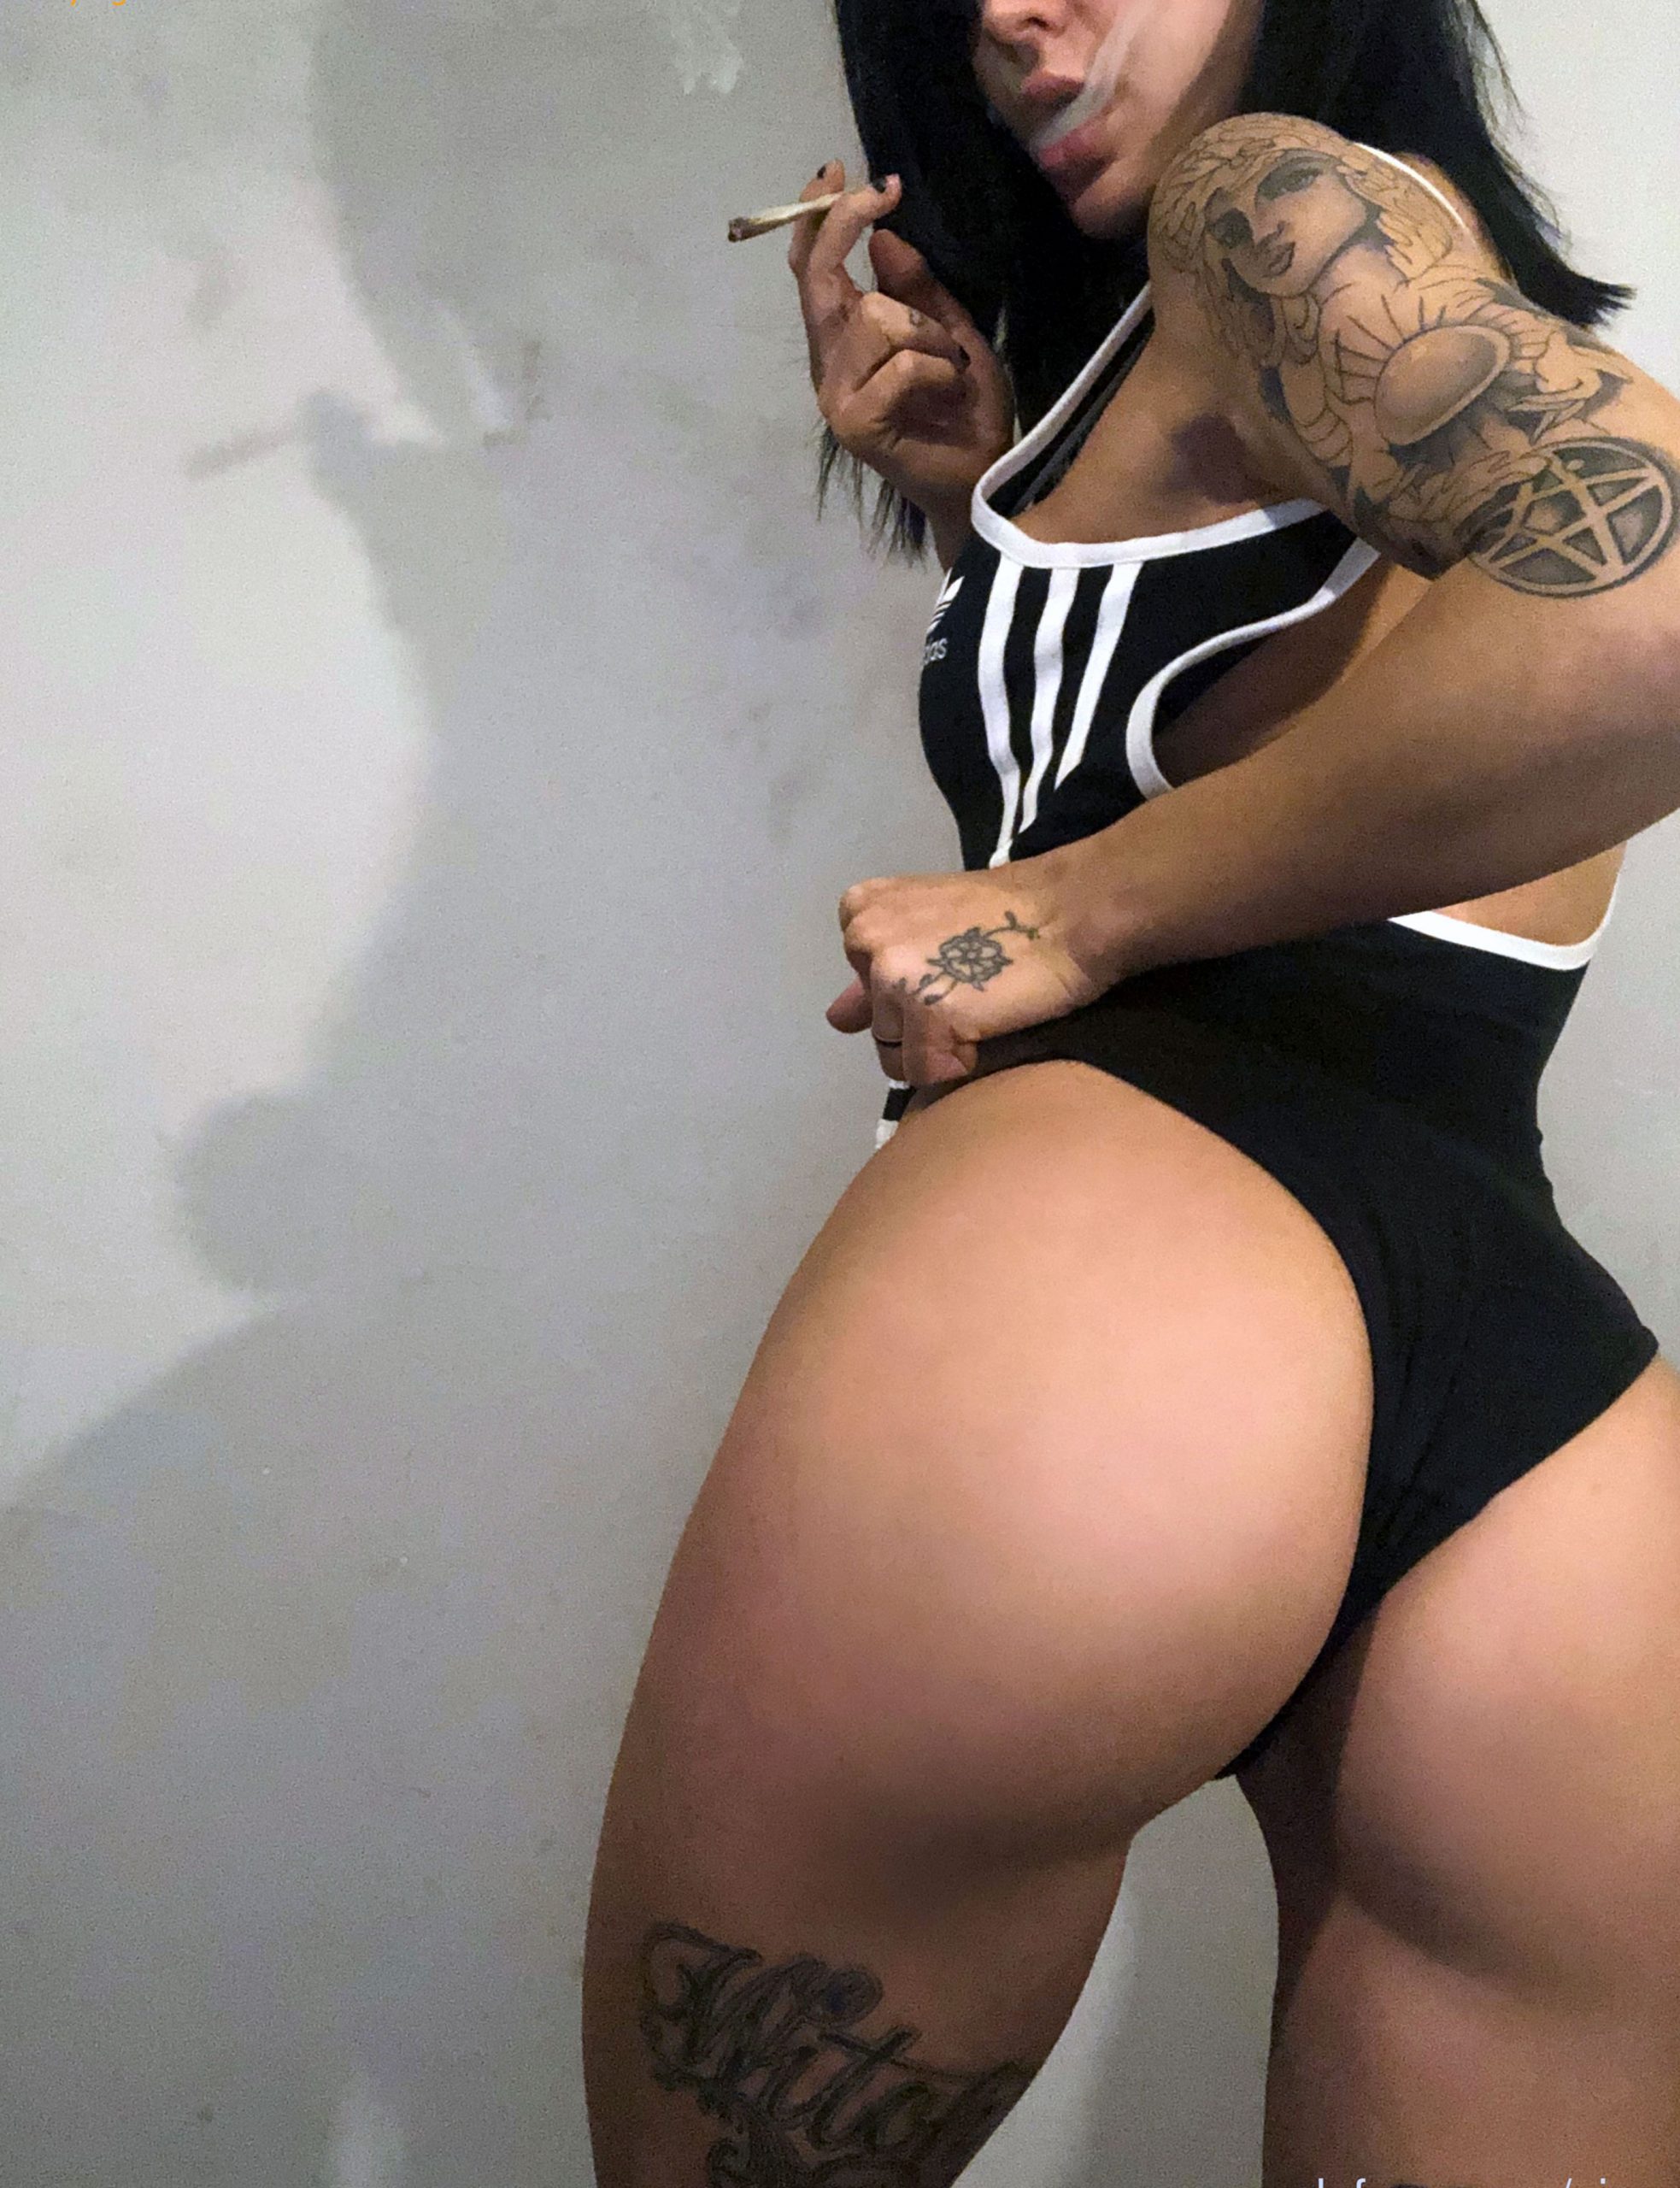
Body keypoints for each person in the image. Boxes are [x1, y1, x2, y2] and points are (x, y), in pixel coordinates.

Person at [582, 2, 1680, 2179]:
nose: (1008, 17)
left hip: (1123, 1279)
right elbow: (1271, 695)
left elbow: (1648, 607)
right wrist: (986, 506)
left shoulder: (1265, 202)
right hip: (1541, 1421)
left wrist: (1069, 908)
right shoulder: (1274, 327)